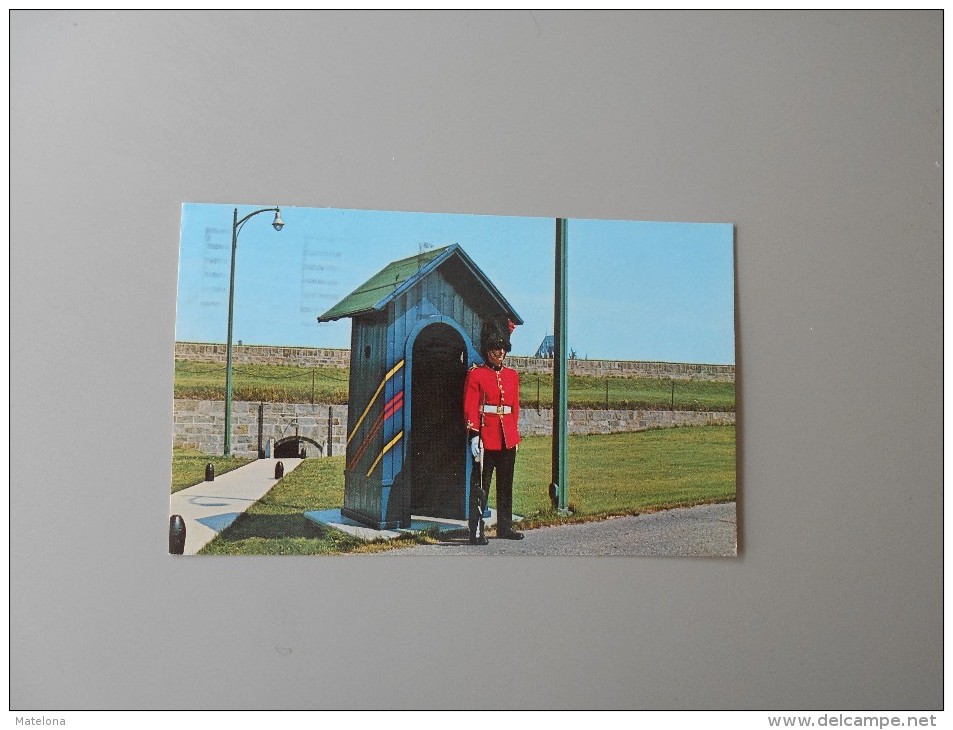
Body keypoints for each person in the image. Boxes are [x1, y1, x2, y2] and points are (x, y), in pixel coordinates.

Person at [463, 317, 524, 544]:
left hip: (507, 438)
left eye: (503, 348)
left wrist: (514, 435)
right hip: (486, 438)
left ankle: (505, 527)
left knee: (506, 485)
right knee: (481, 486)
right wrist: (474, 435)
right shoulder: (476, 374)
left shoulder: (512, 376)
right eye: (496, 348)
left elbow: (513, 408)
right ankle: (476, 530)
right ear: (487, 350)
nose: (500, 353)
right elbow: (470, 405)